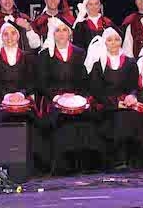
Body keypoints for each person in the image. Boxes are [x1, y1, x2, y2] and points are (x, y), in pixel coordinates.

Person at [38, 17, 102, 174]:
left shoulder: (80, 53)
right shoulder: (45, 55)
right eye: (57, 31)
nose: (61, 34)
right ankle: (60, 166)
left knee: (86, 119)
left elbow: (85, 80)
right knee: (59, 119)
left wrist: (80, 99)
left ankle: (83, 165)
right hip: (54, 100)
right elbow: (41, 83)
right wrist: (57, 97)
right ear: (52, 35)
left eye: (64, 30)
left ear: (70, 34)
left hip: (77, 99)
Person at [87, 28, 141, 170]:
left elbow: (135, 86)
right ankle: (115, 162)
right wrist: (115, 103)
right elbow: (96, 90)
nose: (114, 43)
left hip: (126, 104)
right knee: (115, 118)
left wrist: (132, 96)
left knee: (127, 118)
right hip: (105, 105)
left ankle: (126, 160)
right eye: (110, 40)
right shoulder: (99, 65)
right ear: (105, 43)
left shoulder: (130, 62)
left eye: (116, 39)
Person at [0, 21, 37, 111]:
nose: (9, 37)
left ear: (18, 36)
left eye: (13, 33)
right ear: (1, 37)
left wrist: (21, 94)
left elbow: (33, 82)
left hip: (24, 99)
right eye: (6, 34)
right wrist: (6, 95)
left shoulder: (28, 57)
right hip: (0, 100)